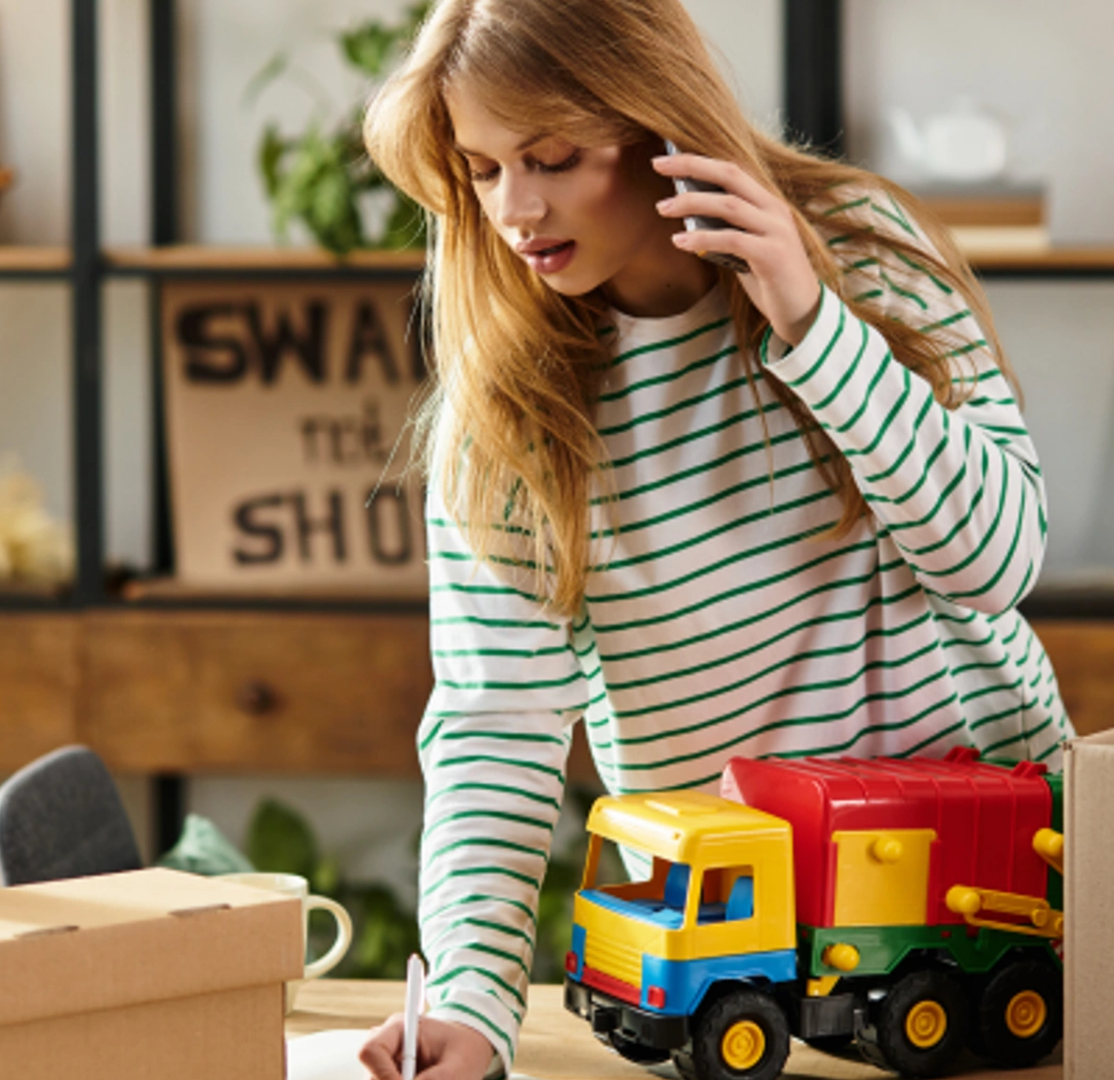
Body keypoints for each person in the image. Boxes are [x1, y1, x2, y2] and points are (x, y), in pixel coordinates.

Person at [355, 3, 1070, 1079]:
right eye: (485, 168)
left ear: (659, 125)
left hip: (981, 902)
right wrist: (468, 1003)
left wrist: (814, 328)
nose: (517, 206)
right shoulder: (508, 409)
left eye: (552, 156)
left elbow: (994, 563)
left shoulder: (867, 257)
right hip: (738, 950)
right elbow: (497, 726)